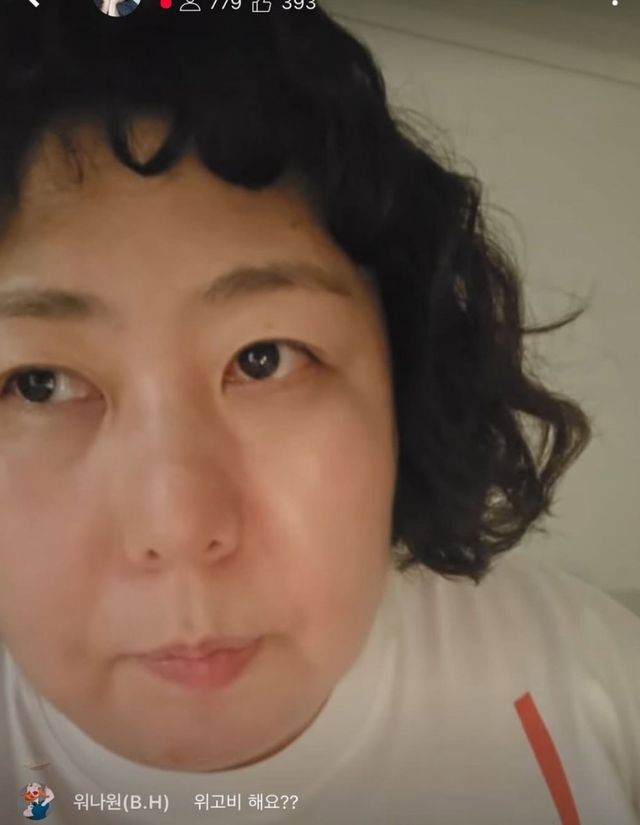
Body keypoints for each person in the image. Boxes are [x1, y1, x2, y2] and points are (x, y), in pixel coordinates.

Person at [0, 1, 638, 823]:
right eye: (39, 383)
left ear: (403, 383)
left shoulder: (592, 685)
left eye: (263, 357)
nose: (179, 525)